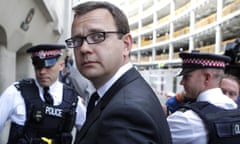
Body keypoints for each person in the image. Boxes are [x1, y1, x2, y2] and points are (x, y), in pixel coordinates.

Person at [65, 1, 172, 144]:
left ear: (126, 45)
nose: (84, 49)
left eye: (97, 36)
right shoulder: (123, 93)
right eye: (77, 40)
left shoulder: (126, 112)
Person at [0, 44, 86, 144]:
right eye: (38, 66)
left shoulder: (73, 100)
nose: (42, 72)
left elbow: (89, 132)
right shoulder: (16, 92)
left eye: (48, 66)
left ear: (61, 65)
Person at [167, 51, 238, 144]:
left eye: (187, 77)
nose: (182, 82)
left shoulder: (186, 120)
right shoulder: (234, 109)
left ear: (207, 78)